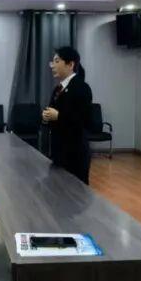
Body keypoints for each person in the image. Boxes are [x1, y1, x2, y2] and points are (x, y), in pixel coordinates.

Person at [42, 46, 93, 184]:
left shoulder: (82, 88)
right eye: (52, 62)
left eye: (57, 61)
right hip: (59, 151)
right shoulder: (57, 89)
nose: (52, 66)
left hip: (75, 153)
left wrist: (58, 116)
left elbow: (85, 120)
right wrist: (46, 117)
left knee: (75, 192)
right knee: (58, 189)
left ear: (70, 64)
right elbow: (53, 114)